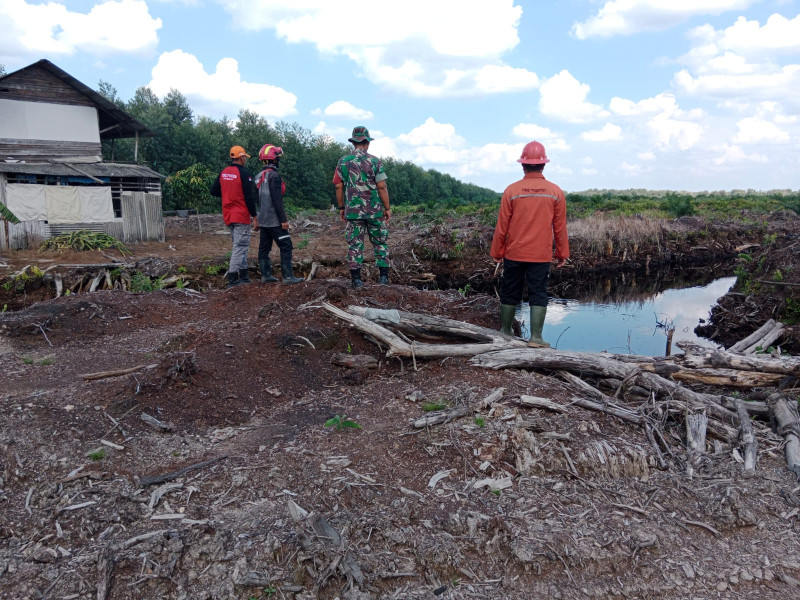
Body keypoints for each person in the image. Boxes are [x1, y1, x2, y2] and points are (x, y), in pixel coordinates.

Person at [490, 141, 569, 348]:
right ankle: (536, 338)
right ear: (543, 165)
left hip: (514, 253)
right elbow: (560, 228)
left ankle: (506, 331)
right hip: (540, 256)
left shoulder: (511, 191)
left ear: (523, 165)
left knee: (510, 291)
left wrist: (497, 251)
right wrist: (562, 254)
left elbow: (502, 226)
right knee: (538, 293)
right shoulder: (555, 192)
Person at [333, 126, 391, 289]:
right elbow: (382, 186)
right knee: (380, 243)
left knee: (355, 245)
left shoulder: (343, 161)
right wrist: (387, 208)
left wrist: (341, 207)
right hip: (374, 212)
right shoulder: (375, 161)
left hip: (353, 212)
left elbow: (338, 185)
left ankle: (356, 281)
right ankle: (383, 279)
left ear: (353, 143)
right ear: (367, 143)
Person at [254, 144, 303, 285]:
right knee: (286, 245)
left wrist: (256, 218)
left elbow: (255, 199)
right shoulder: (274, 176)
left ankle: (266, 275)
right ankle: (288, 277)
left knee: (264, 248)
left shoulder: (258, 176)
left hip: (263, 219)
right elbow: (277, 199)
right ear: (274, 159)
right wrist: (284, 220)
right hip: (274, 220)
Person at [210, 145, 257, 288]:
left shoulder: (224, 172)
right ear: (241, 157)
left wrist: (228, 194)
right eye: (244, 157)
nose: (245, 160)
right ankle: (233, 280)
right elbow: (249, 197)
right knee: (240, 246)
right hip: (241, 215)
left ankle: (244, 277)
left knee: (239, 246)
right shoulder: (244, 173)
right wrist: (255, 217)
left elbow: (213, 191)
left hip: (228, 215)